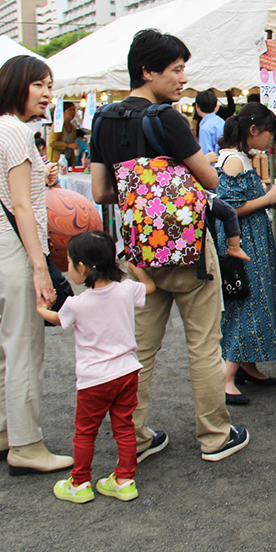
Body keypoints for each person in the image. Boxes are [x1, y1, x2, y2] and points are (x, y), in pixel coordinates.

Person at [89, 28, 249, 462]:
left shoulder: (103, 119)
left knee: (138, 349)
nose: (183, 80)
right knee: (203, 344)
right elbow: (212, 180)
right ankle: (215, 437)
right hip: (190, 251)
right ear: (148, 71)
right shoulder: (166, 119)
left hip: (139, 255)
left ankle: (134, 440)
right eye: (177, 71)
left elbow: (102, 191)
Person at [0, 55, 73, 475]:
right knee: (23, 347)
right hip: (16, 248)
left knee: (2, 343)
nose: (47, 94)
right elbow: (20, 204)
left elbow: (11, 192)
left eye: (48, 86)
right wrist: (40, 266)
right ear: (17, 85)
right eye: (38, 85)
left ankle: (1, 432)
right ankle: (26, 444)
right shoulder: (18, 132)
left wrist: (42, 175)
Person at [36, 232, 154, 504]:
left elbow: (58, 320)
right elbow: (149, 289)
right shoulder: (125, 288)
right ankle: (124, 481)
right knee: (124, 427)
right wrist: (136, 270)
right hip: (127, 372)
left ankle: (79, 483)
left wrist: (42, 308)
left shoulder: (77, 304)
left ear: (81, 267)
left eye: (68, 262)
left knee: (85, 432)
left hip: (94, 380)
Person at [215, 103, 276, 405]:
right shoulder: (234, 160)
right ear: (253, 131)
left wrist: (269, 201)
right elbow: (228, 207)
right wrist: (268, 198)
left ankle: (248, 366)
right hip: (243, 243)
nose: (270, 140)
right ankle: (227, 378)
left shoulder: (241, 158)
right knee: (246, 302)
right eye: (269, 133)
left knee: (254, 299)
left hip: (252, 240)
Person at [195, 90, 223, 163]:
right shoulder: (222, 122)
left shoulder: (205, 128)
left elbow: (206, 155)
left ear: (196, 106)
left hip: (215, 169)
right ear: (216, 106)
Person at [48, 101, 79, 166]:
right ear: (63, 112)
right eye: (70, 110)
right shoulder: (57, 126)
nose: (72, 112)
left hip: (69, 159)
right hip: (57, 160)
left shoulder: (73, 127)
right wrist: (68, 145)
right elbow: (51, 142)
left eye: (74, 110)